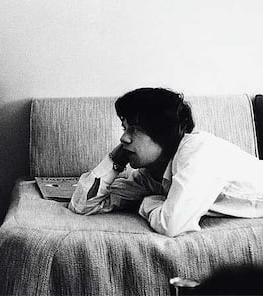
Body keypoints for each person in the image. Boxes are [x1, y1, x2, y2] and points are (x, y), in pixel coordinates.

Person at [68, 88, 263, 237]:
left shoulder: (199, 152)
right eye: (124, 128)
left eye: (134, 129)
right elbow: (82, 206)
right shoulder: (150, 174)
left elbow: (172, 225)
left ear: (164, 134)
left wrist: (148, 202)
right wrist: (114, 161)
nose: (124, 138)